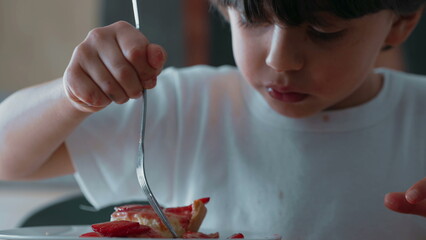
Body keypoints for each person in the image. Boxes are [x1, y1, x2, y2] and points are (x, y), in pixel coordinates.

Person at [1, 0, 426, 239]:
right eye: (253, 20)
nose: (280, 59)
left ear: (401, 24)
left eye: (323, 33)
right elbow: (10, 161)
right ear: (224, 10)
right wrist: (73, 95)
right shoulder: (186, 106)